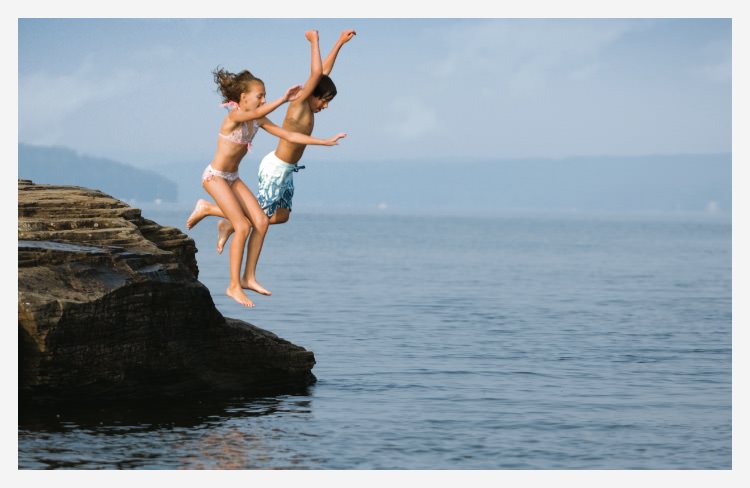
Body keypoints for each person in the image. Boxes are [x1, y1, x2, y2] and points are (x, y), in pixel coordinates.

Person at [189, 29, 346, 308]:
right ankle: (233, 285)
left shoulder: (259, 119)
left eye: (265, 96)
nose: (263, 100)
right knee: (243, 224)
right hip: (215, 177)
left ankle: (248, 277)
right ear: (243, 96)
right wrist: (314, 43)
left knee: (262, 221)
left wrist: (323, 141)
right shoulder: (236, 115)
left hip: (233, 178)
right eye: (260, 96)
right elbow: (310, 79)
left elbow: (290, 133)